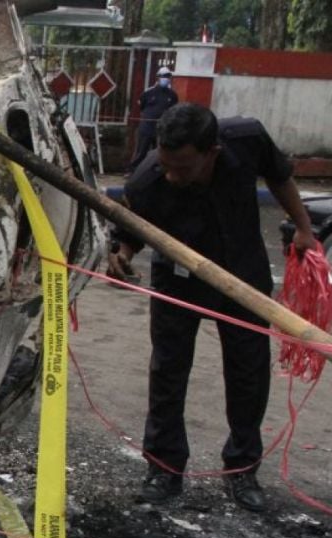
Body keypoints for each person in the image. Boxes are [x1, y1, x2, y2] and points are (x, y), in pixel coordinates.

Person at [108, 103, 316, 512]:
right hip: (179, 280)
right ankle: (164, 468)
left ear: (213, 152)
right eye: (166, 164)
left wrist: (305, 229)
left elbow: (280, 178)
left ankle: (242, 469)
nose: (172, 175)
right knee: (168, 370)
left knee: (248, 371)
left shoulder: (248, 139)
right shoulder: (149, 178)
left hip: (243, 277)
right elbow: (132, 228)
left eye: (183, 168)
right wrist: (124, 253)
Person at [128, 67, 179, 171]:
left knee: (159, 153)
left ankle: (155, 172)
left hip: (162, 129)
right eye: (163, 76)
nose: (166, 79)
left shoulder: (172, 95)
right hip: (147, 127)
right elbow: (141, 106)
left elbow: (173, 110)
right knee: (141, 151)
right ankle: (134, 171)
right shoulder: (149, 92)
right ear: (158, 78)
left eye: (168, 77)